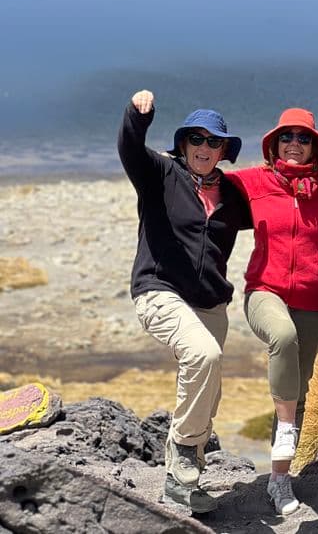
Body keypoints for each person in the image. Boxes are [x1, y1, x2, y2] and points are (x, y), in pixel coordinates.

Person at [118, 89, 252, 513]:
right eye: (197, 138)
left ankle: (179, 485)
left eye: (214, 141)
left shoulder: (232, 194)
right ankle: (181, 448)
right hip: (159, 290)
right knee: (203, 355)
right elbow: (129, 148)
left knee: (206, 394)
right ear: (183, 143)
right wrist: (138, 115)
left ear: (224, 151)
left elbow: (277, 210)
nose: (204, 147)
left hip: (211, 302)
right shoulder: (160, 172)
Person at [228, 108, 318, 517]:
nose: (294, 143)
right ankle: (287, 429)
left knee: (299, 391)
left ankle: (279, 479)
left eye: (303, 138)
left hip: (311, 301)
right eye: (286, 136)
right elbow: (200, 181)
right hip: (264, 291)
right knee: (282, 336)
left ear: (314, 147)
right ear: (274, 144)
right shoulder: (254, 181)